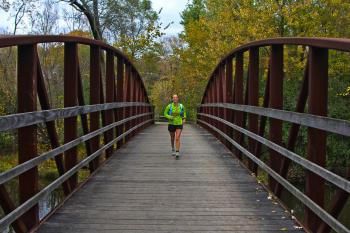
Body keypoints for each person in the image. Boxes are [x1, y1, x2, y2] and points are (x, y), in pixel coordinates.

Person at [164, 94, 187, 159]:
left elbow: (184, 112)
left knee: (177, 137)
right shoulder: (169, 106)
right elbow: (165, 113)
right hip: (171, 123)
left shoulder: (181, 106)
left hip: (179, 123)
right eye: (173, 97)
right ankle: (173, 148)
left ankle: (177, 151)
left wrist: (184, 118)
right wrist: (169, 116)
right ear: (172, 99)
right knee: (172, 138)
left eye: (176, 97)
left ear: (178, 99)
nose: (175, 99)